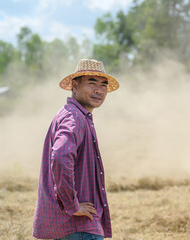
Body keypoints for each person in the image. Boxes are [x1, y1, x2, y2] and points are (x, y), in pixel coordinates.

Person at [33, 59, 119, 240]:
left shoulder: (73, 115)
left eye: (103, 85)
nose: (99, 90)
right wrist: (73, 206)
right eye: (92, 83)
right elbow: (61, 156)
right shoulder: (75, 118)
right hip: (78, 228)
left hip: (65, 227)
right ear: (74, 85)